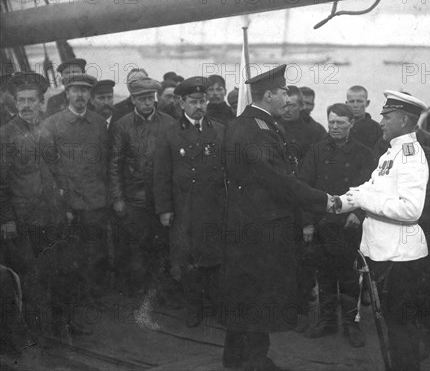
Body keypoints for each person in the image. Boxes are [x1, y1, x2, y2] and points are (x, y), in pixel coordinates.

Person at [221, 65, 336, 371]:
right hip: (261, 229)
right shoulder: (255, 129)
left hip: (250, 224)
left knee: (245, 294)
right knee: (258, 296)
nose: (288, 96)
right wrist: (324, 200)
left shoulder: (253, 123)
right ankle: (253, 362)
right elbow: (278, 180)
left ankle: (237, 358)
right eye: (284, 91)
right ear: (268, 94)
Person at [336, 90, 430, 370]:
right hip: (383, 253)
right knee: (390, 325)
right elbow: (369, 188)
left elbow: (411, 210)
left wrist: (362, 200)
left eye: (386, 116)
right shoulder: (392, 152)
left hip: (400, 257)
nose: (380, 121)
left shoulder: (411, 157)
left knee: (400, 328)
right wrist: (337, 202)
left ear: (403, 120)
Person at [0, 72, 88, 338]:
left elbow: (57, 171)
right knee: (32, 275)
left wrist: (67, 207)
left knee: (62, 270)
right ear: (14, 103)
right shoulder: (6, 135)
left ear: (40, 103)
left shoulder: (46, 130)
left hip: (54, 214)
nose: (26, 105)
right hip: (25, 217)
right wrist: (6, 219)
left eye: (31, 100)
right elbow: (1, 183)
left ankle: (63, 324)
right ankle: (38, 332)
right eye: (21, 100)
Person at [298, 103, 377, 347]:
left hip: (349, 227)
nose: (334, 127)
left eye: (340, 123)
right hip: (323, 225)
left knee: (351, 279)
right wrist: (308, 224)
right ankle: (327, 321)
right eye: (331, 122)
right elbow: (304, 187)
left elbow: (373, 188)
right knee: (325, 276)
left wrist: (361, 214)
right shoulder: (317, 150)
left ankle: (352, 324)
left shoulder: (364, 153)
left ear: (351, 124)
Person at [154, 76, 226, 328]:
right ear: (182, 102)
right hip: (184, 207)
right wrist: (164, 209)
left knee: (215, 258)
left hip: (214, 206)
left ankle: (217, 306)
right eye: (193, 101)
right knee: (188, 260)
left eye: (202, 101)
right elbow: (161, 175)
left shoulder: (219, 130)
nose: (199, 106)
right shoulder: (170, 134)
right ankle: (193, 307)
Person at [41, 72, 111, 314]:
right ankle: (77, 299)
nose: (80, 95)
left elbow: (105, 160)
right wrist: (63, 203)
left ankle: (94, 295)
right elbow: (49, 167)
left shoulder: (99, 122)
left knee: (97, 252)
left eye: (84, 91)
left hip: (96, 199)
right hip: (69, 202)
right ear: (67, 93)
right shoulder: (52, 124)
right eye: (75, 90)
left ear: (89, 95)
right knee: (72, 254)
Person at [110, 77, 174, 297]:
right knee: (137, 247)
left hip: (162, 198)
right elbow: (115, 164)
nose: (148, 103)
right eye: (142, 99)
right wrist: (118, 198)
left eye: (151, 98)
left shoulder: (168, 122)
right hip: (135, 199)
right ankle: (139, 293)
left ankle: (162, 292)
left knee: (162, 247)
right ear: (133, 100)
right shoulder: (122, 125)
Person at [278, 85, 327, 164]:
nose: (286, 110)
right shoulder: (271, 126)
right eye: (284, 104)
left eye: (292, 105)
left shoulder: (315, 131)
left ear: (301, 106)